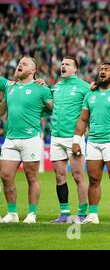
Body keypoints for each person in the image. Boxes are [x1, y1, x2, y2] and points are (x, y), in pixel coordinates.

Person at [72, 62, 110, 224]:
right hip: (93, 141)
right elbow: (83, 119)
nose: (102, 71)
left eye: (106, 69)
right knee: (93, 179)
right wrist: (76, 140)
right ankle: (93, 215)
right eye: (101, 69)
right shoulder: (90, 95)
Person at [0, 56, 53, 223]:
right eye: (19, 63)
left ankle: (32, 214)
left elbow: (54, 109)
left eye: (25, 63)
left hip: (31, 138)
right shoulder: (10, 86)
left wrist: (42, 109)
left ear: (33, 70)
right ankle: (12, 213)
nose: (20, 65)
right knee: (6, 175)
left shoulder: (42, 89)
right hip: (11, 138)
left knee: (32, 177)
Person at [49, 56, 90, 224]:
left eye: (67, 64)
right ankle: (64, 214)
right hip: (56, 136)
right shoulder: (56, 87)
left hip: (74, 137)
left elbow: (92, 108)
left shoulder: (84, 87)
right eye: (62, 64)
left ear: (75, 69)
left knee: (78, 176)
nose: (63, 66)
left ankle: (82, 214)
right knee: (60, 177)